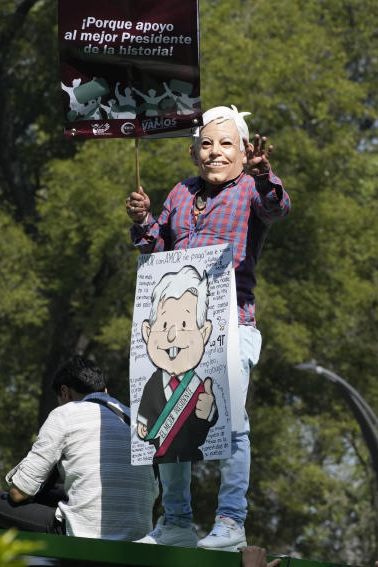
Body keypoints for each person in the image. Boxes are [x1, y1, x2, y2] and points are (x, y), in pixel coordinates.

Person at [125, 105, 291, 551]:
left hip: (232, 322)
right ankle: (177, 521)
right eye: (206, 143)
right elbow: (152, 245)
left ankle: (231, 522)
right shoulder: (181, 192)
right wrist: (141, 220)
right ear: (195, 151)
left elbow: (278, 210)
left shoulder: (252, 191)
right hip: (172, 329)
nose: (215, 152)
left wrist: (264, 176)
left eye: (226, 144)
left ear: (243, 152)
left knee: (232, 419)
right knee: (168, 421)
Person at [0, 356, 157, 540]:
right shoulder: (136, 420)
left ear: (65, 392)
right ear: (105, 391)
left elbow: (19, 492)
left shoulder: (65, 414)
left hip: (82, 535)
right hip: (139, 536)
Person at [136, 265, 218, 463]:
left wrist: (209, 412)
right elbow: (146, 407)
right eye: (164, 325)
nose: (172, 336)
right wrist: (142, 424)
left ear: (204, 332)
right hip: (162, 454)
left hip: (192, 452)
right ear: (147, 331)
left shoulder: (199, 387)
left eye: (184, 325)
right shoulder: (153, 384)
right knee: (170, 489)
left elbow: (208, 418)